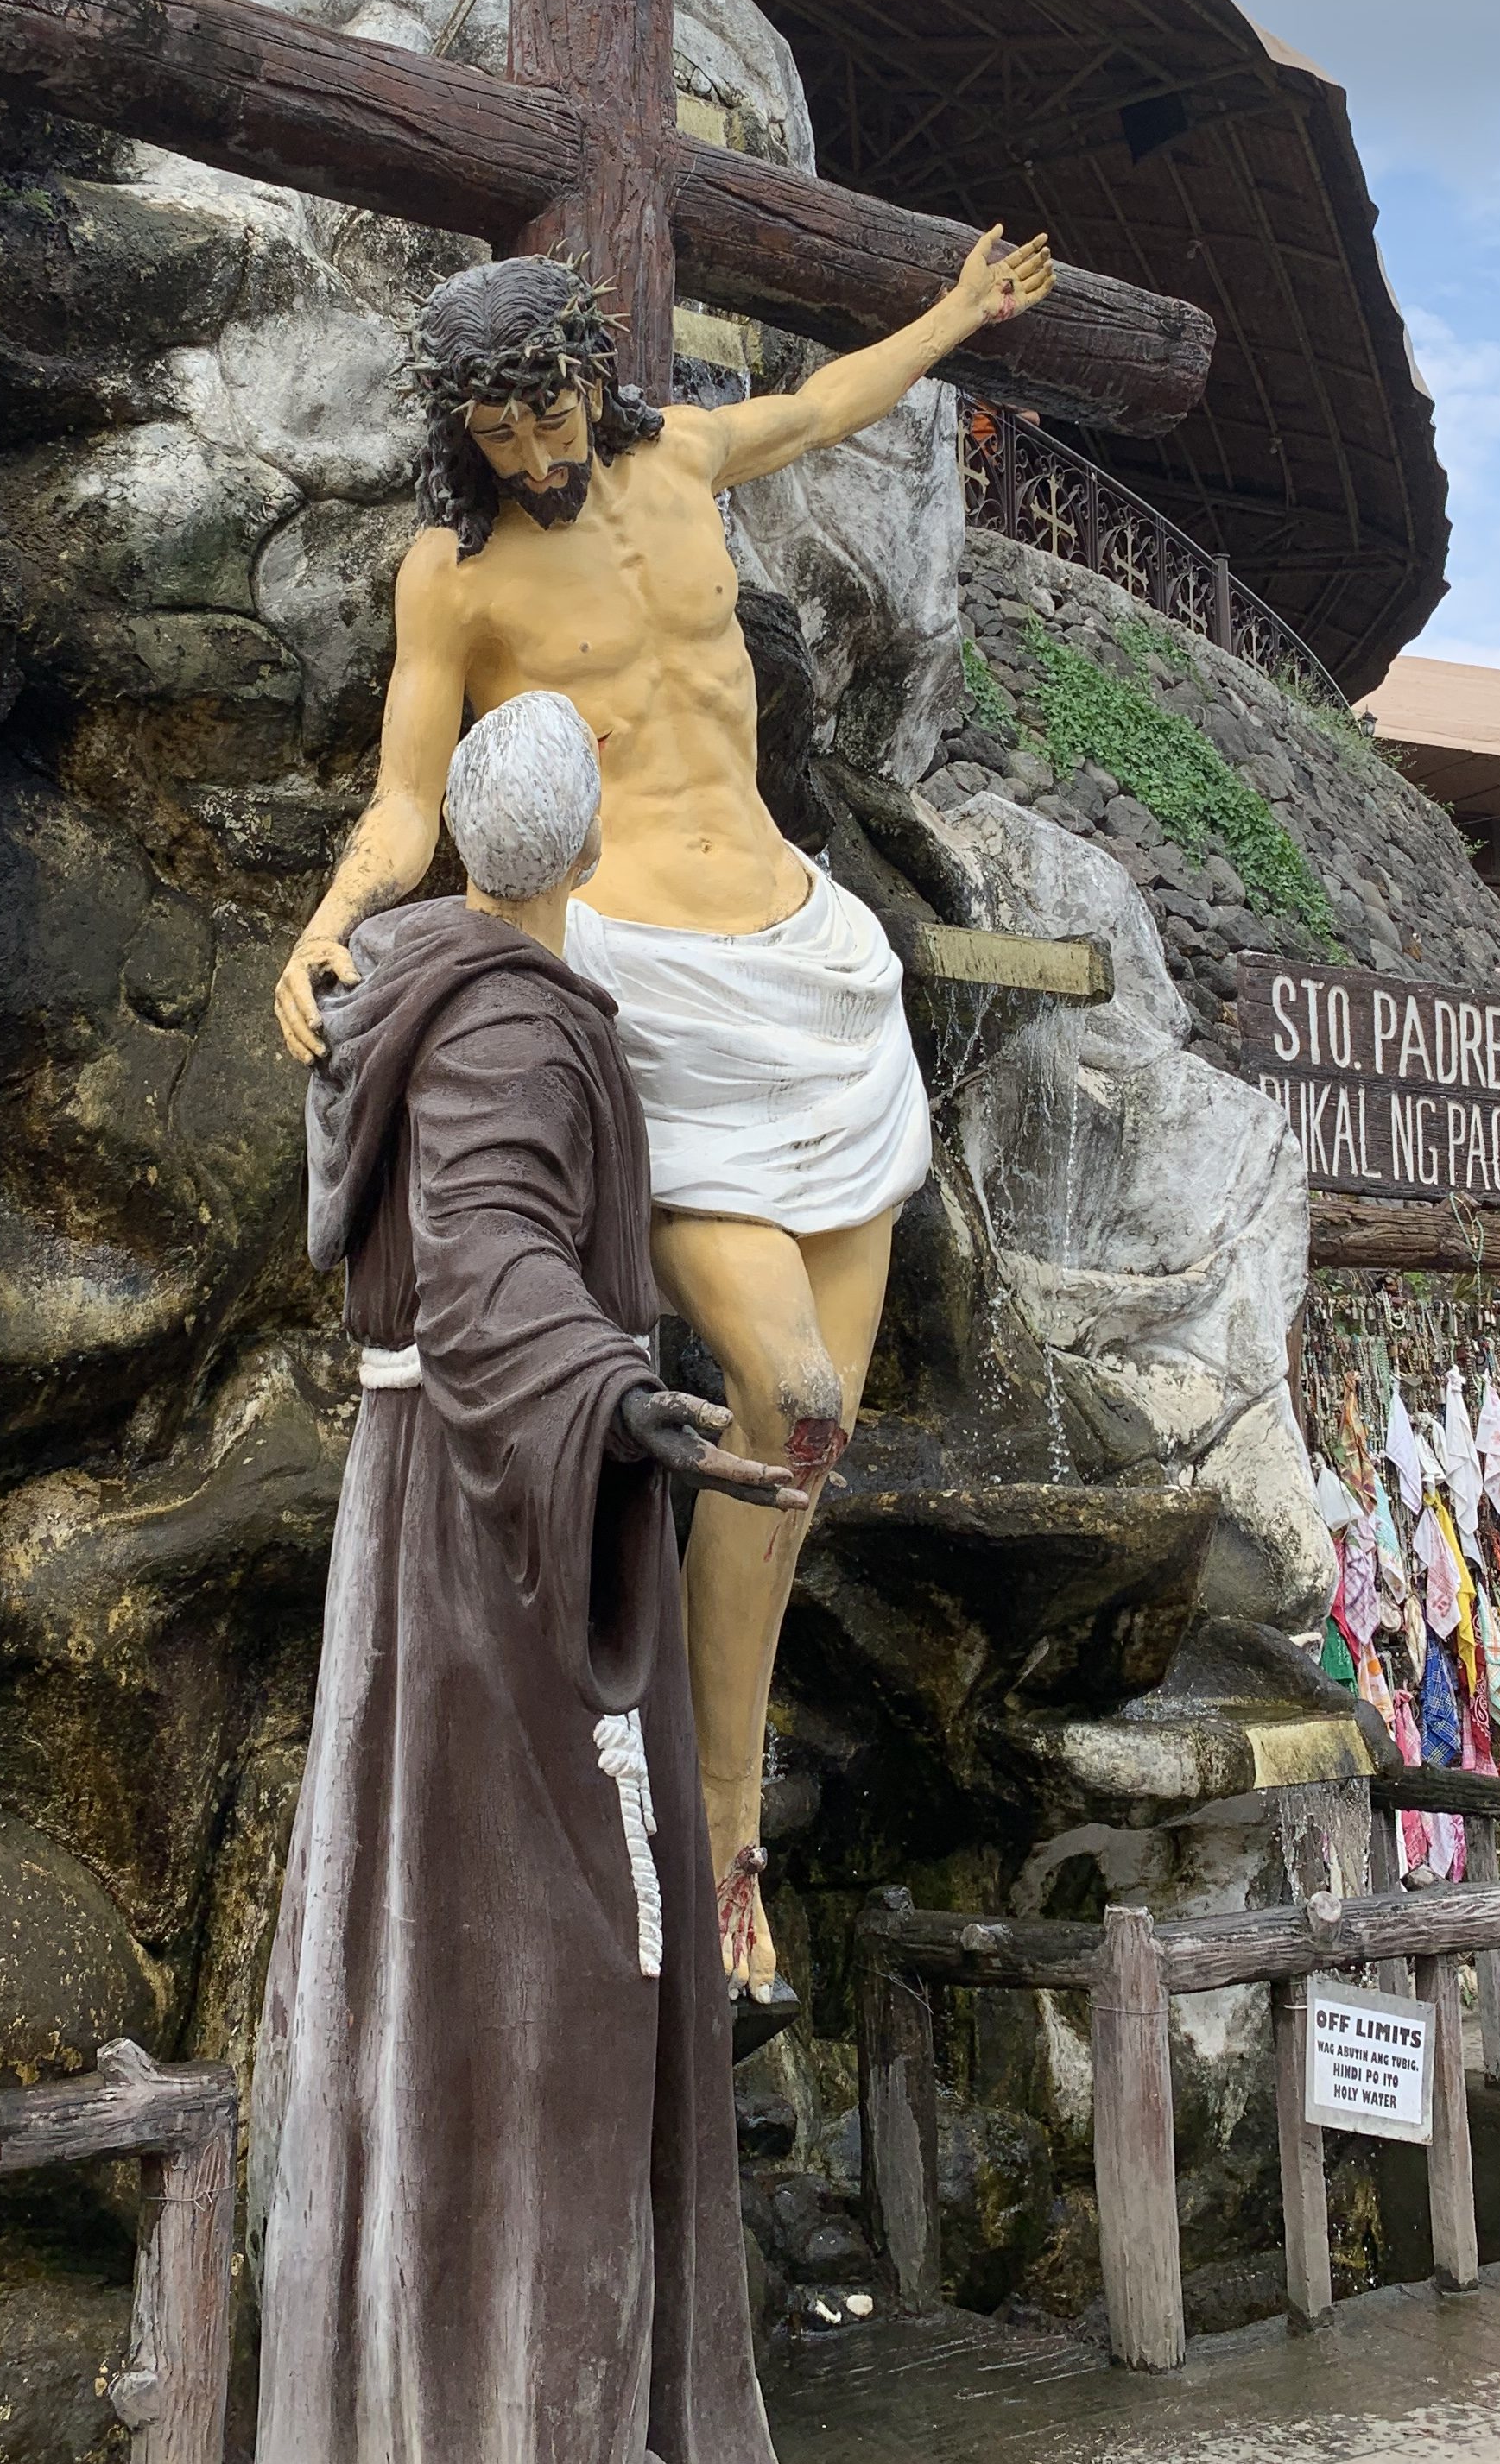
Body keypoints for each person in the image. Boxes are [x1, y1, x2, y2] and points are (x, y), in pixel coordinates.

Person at [275, 229, 1054, 1993]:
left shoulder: (684, 459)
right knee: (785, 1392)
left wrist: (947, 310)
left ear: (591, 371)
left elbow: (830, 405)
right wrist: (331, 922)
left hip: (816, 967)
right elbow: (411, 806)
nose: (537, 456)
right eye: (496, 430)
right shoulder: (448, 583)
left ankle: (720, 1837)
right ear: (455, 430)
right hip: (659, 997)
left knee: (801, 1460)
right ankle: (691, 1837)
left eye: (548, 408)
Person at [246, 690, 801, 2464]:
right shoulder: (503, 1022)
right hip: (503, 1534)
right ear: (584, 841)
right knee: (551, 1989)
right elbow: (487, 1261)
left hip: (426, 1505)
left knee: (437, 1991)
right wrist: (614, 1401)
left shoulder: (399, 982)